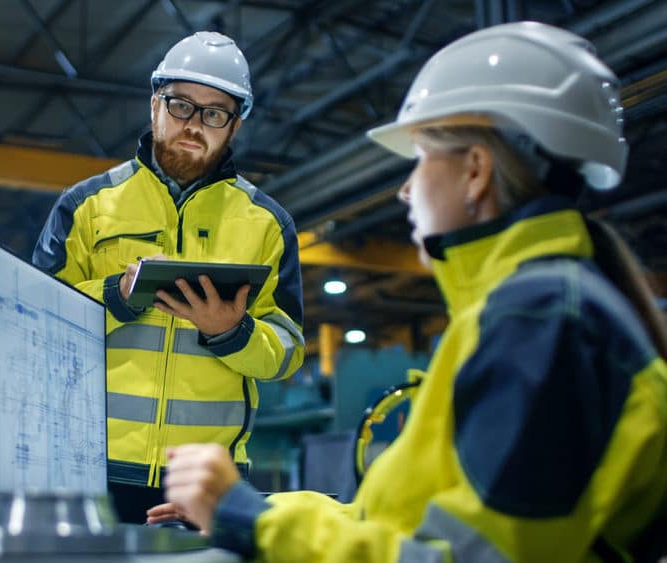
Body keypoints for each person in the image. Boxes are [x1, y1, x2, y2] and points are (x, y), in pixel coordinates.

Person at [160, 21, 667, 561]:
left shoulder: (541, 323)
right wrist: (252, 510)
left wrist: (253, 523)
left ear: (475, 171)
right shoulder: (526, 314)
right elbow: (395, 521)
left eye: (421, 158)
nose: (405, 189)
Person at [32, 31, 305, 524]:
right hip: (86, 468)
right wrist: (117, 295)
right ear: (154, 104)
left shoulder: (268, 224)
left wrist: (232, 332)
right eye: (181, 105)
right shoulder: (86, 207)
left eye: (214, 113)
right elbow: (35, 323)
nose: (194, 125)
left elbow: (287, 350)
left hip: (204, 480)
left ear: (235, 124)